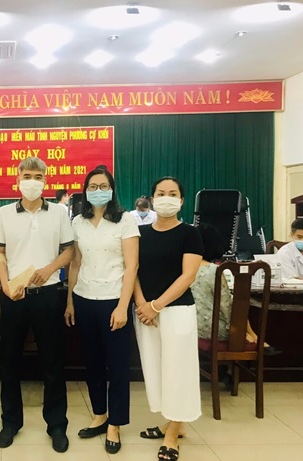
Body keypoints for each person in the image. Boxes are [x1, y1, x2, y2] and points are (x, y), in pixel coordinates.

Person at [0, 157, 74, 453]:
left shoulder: (59, 212)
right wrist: (4, 285)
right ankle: (10, 423)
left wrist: (50, 268)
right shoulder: (4, 213)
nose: (32, 181)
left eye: (37, 177)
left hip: (48, 295)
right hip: (14, 295)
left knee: (53, 363)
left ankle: (57, 425)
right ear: (17, 180)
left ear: (46, 181)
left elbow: (69, 251)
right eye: (27, 176)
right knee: (9, 363)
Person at [64, 166, 139, 455]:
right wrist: (70, 300)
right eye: (92, 186)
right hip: (84, 298)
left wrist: (123, 306)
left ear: (112, 189)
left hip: (113, 300)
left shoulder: (125, 220)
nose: (98, 191)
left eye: (103, 186)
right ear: (85, 191)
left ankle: (115, 424)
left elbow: (132, 266)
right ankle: (99, 414)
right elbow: (75, 263)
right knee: (93, 362)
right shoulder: (78, 222)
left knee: (117, 366)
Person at [133, 177, 203, 461]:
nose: (166, 198)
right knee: (157, 371)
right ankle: (173, 422)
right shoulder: (139, 233)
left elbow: (188, 276)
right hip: (145, 313)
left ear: (181, 201)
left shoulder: (190, 233)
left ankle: (173, 435)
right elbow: (132, 270)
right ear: (152, 199)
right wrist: (142, 304)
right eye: (161, 193)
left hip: (176, 311)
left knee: (178, 371)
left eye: (173, 194)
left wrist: (156, 306)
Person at [191, 223, 282, 355]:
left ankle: (255, 337)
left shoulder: (183, 269)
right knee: (238, 305)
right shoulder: (214, 271)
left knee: (236, 302)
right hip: (214, 330)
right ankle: (257, 339)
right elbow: (226, 306)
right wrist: (238, 331)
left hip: (192, 325)